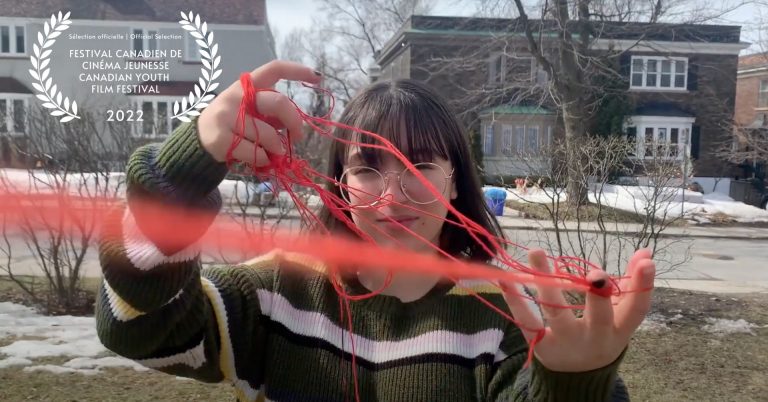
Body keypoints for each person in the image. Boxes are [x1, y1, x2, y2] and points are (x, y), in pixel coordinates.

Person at [96, 61, 655, 401]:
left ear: (456, 179)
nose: (393, 196)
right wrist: (180, 172)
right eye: (367, 168)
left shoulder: (506, 315)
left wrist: (573, 384)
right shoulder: (277, 293)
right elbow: (140, 327)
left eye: (419, 167)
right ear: (339, 183)